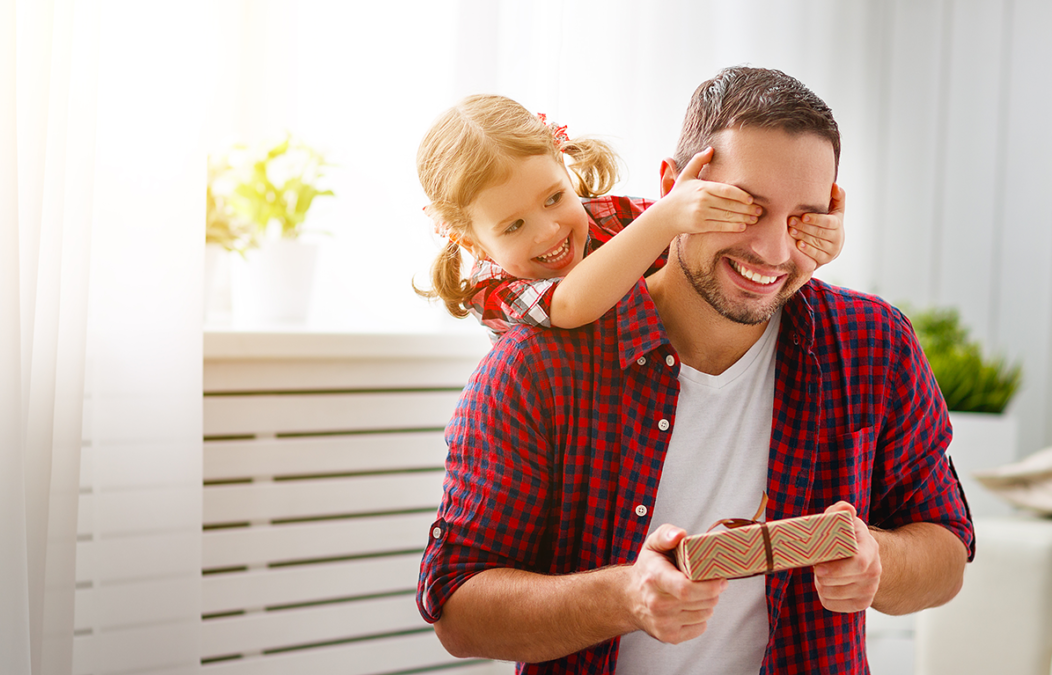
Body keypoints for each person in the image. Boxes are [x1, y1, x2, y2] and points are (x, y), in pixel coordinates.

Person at [416, 66, 975, 675]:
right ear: (673, 190)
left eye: (803, 219)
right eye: (743, 208)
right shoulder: (533, 368)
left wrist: (878, 561)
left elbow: (947, 549)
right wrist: (624, 596)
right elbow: (458, 610)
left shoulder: (872, 344)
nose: (773, 252)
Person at [415, 94, 844, 342]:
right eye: (513, 226)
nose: (549, 230)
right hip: (574, 413)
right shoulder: (492, 289)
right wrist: (666, 217)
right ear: (473, 243)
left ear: (566, 168)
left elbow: (703, 235)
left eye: (553, 198)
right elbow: (568, 304)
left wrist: (807, 235)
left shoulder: (609, 216)